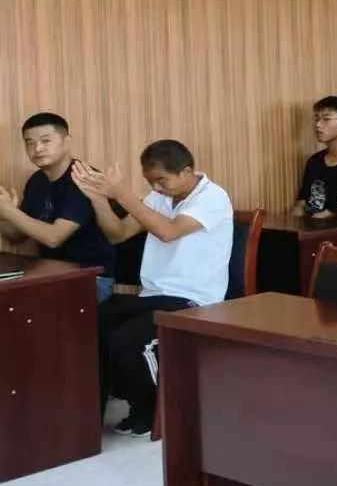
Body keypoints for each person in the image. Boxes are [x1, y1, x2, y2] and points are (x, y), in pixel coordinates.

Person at [73, 142, 233, 434]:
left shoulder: (212, 197)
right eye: (150, 182)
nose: (156, 188)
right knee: (93, 321)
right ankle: (90, 418)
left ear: (186, 171)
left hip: (194, 300)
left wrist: (123, 194)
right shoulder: (160, 197)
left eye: (161, 180)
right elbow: (118, 233)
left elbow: (167, 231)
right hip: (154, 294)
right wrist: (98, 199)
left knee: (127, 340)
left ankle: (153, 411)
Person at [0, 112, 117, 301]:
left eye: (46, 141)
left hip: (91, 278)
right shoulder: (37, 181)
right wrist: (4, 214)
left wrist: (11, 212)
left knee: (14, 301)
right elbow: (15, 236)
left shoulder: (82, 178)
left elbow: (54, 238)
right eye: (29, 143)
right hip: (50, 273)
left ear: (66, 142)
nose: (37, 148)